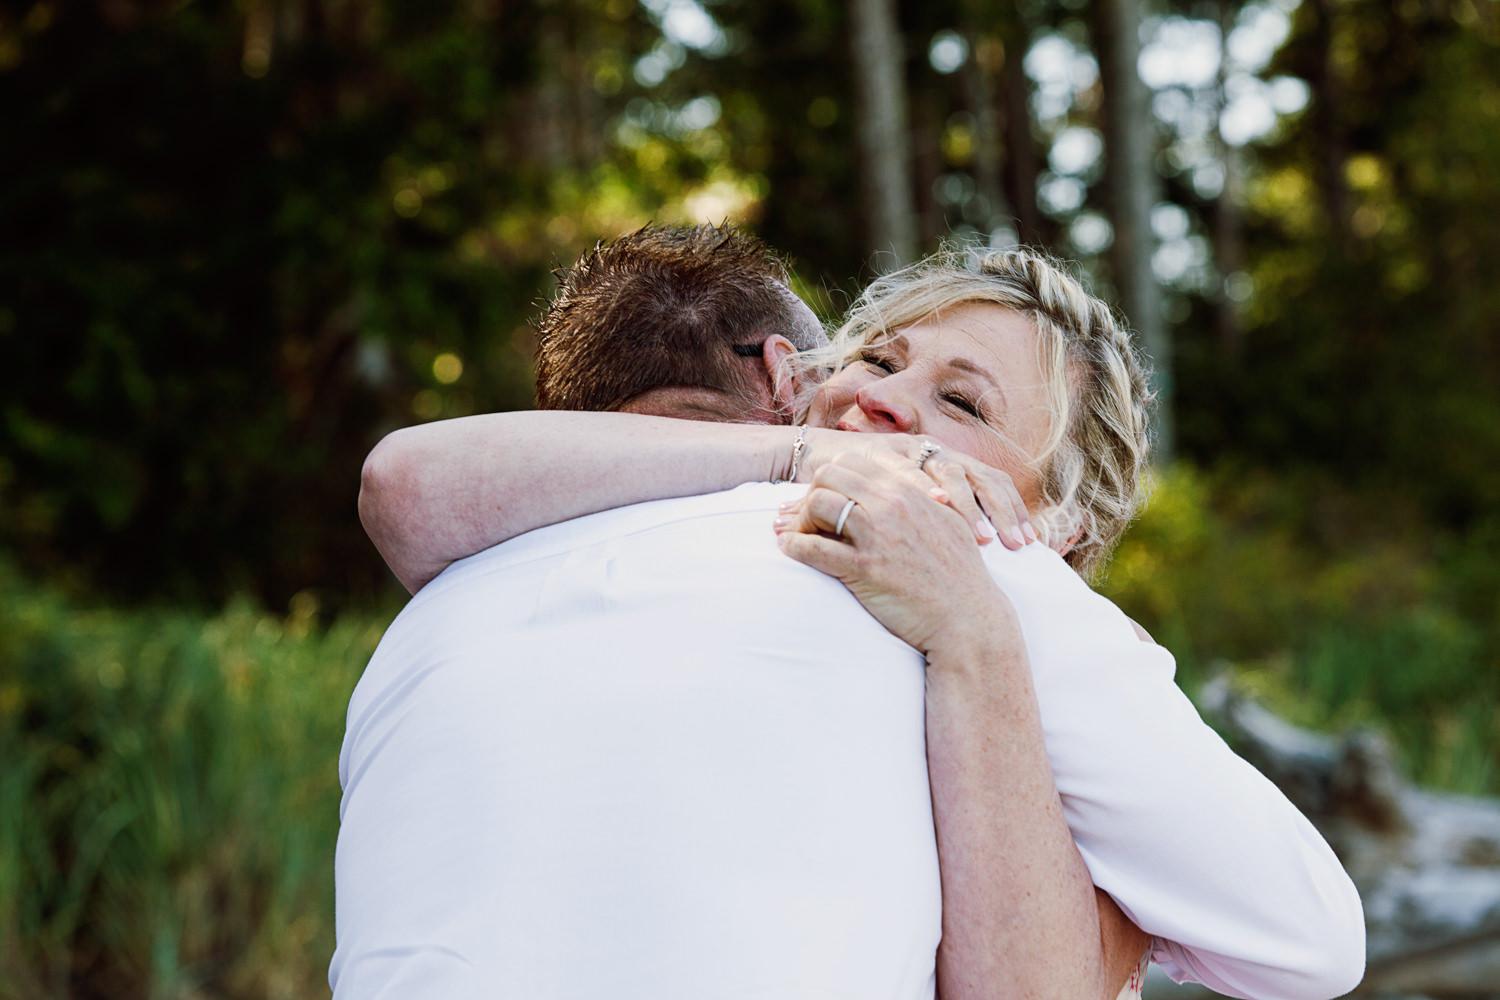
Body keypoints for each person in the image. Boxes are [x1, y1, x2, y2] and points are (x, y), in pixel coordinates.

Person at [340, 228, 1366, 998]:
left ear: (1060, 523)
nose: (883, 404)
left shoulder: (456, 594)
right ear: (799, 387)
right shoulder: (977, 554)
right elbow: (1309, 940)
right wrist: (1120, 910)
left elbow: (404, 480)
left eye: (961, 404)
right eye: (877, 361)